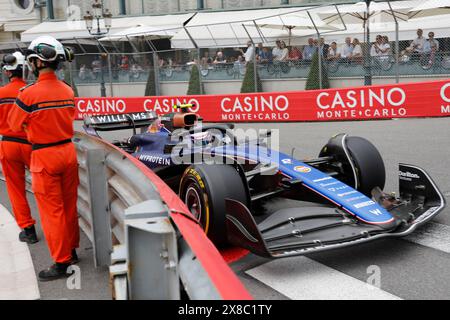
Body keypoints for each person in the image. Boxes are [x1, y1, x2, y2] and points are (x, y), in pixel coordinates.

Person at [8, 35, 79, 281]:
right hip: (68, 152)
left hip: (44, 155)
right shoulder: (68, 90)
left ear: (37, 62)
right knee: (69, 206)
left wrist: (32, 128)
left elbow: (13, 124)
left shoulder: (28, 94)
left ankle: (61, 263)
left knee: (52, 212)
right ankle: (72, 250)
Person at [0, 52, 37, 244]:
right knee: (43, 188)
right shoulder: (31, 91)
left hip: (8, 145)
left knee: (16, 189)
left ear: (7, 72)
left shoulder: (1, 93)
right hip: (33, 145)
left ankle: (29, 230)